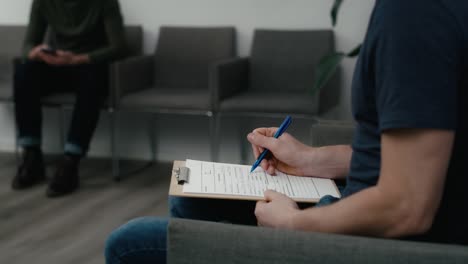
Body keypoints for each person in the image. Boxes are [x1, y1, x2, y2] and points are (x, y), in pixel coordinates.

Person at [104, 0, 468, 262]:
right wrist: (312, 159)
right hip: (395, 210)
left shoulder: (415, 14)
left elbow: (406, 206)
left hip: (396, 241)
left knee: (130, 243)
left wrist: (294, 223)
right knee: (188, 197)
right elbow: (423, 158)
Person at [12, 0, 127, 197]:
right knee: (24, 71)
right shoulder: (43, 2)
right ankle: (31, 155)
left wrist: (78, 59)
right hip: (59, 64)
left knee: (92, 78)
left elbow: (119, 47)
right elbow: (28, 44)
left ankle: (71, 160)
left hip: (90, 64)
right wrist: (37, 53)